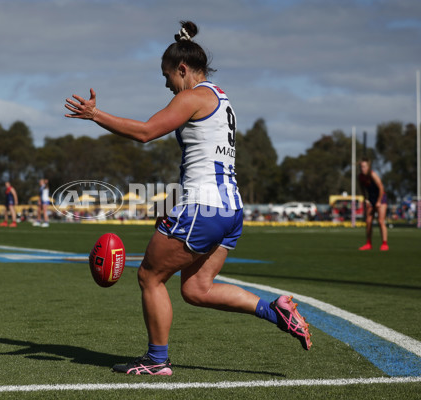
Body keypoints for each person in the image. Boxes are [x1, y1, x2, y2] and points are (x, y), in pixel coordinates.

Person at [65, 20, 311, 376]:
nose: (166, 85)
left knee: (150, 276)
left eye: (168, 76)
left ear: (183, 69)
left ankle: (156, 360)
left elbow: (147, 132)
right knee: (197, 289)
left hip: (203, 207)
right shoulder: (222, 100)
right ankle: (277, 311)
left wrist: (95, 115)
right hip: (230, 210)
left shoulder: (192, 96)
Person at [358, 157, 388, 251]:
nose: (363, 168)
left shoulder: (373, 175)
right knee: (368, 221)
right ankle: (368, 243)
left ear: (368, 167)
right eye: (361, 167)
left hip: (381, 197)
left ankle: (384, 243)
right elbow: (362, 189)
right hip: (371, 199)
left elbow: (381, 187)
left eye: (364, 166)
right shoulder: (360, 177)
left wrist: (379, 202)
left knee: (380, 221)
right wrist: (366, 199)